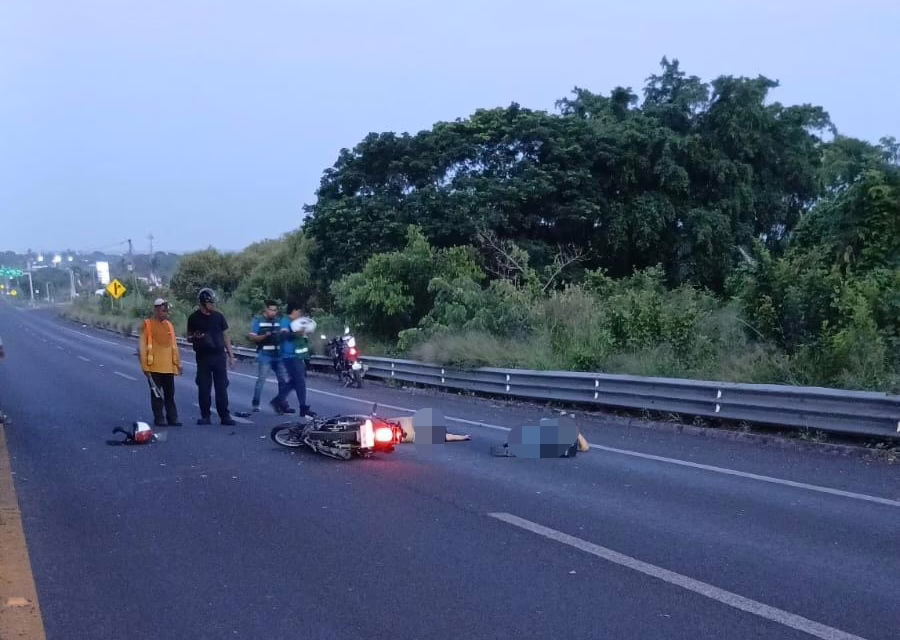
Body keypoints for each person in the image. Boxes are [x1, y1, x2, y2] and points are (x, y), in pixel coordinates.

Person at [186, 287, 237, 426]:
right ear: (203, 303)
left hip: (219, 357)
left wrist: (231, 356)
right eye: (211, 303)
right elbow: (188, 338)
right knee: (204, 387)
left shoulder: (219, 316)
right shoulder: (193, 318)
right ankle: (205, 416)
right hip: (203, 358)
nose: (213, 305)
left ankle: (224, 416)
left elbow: (226, 336)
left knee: (221, 387)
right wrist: (194, 337)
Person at [138, 298, 182, 427]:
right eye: (163, 311)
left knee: (170, 395)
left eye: (167, 311)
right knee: (157, 395)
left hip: (168, 367)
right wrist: (145, 367)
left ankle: (172, 418)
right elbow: (142, 346)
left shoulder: (169, 325)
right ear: (156, 310)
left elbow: (174, 346)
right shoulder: (147, 324)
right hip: (154, 367)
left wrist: (178, 364)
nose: (166, 314)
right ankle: (159, 418)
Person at [248, 300, 293, 414]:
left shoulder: (278, 321)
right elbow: (253, 337)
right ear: (266, 309)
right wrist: (264, 336)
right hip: (265, 355)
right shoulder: (258, 320)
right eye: (271, 310)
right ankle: (256, 403)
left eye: (275, 310)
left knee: (282, 380)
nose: (273, 312)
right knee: (261, 380)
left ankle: (281, 403)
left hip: (278, 355)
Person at [279, 302, 316, 417]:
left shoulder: (297, 323)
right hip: (289, 356)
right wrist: (297, 333)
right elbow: (284, 335)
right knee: (299, 381)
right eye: (299, 311)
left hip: (298, 356)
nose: (300, 314)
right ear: (294, 310)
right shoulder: (285, 321)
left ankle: (279, 401)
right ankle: (302, 407)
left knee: (296, 381)